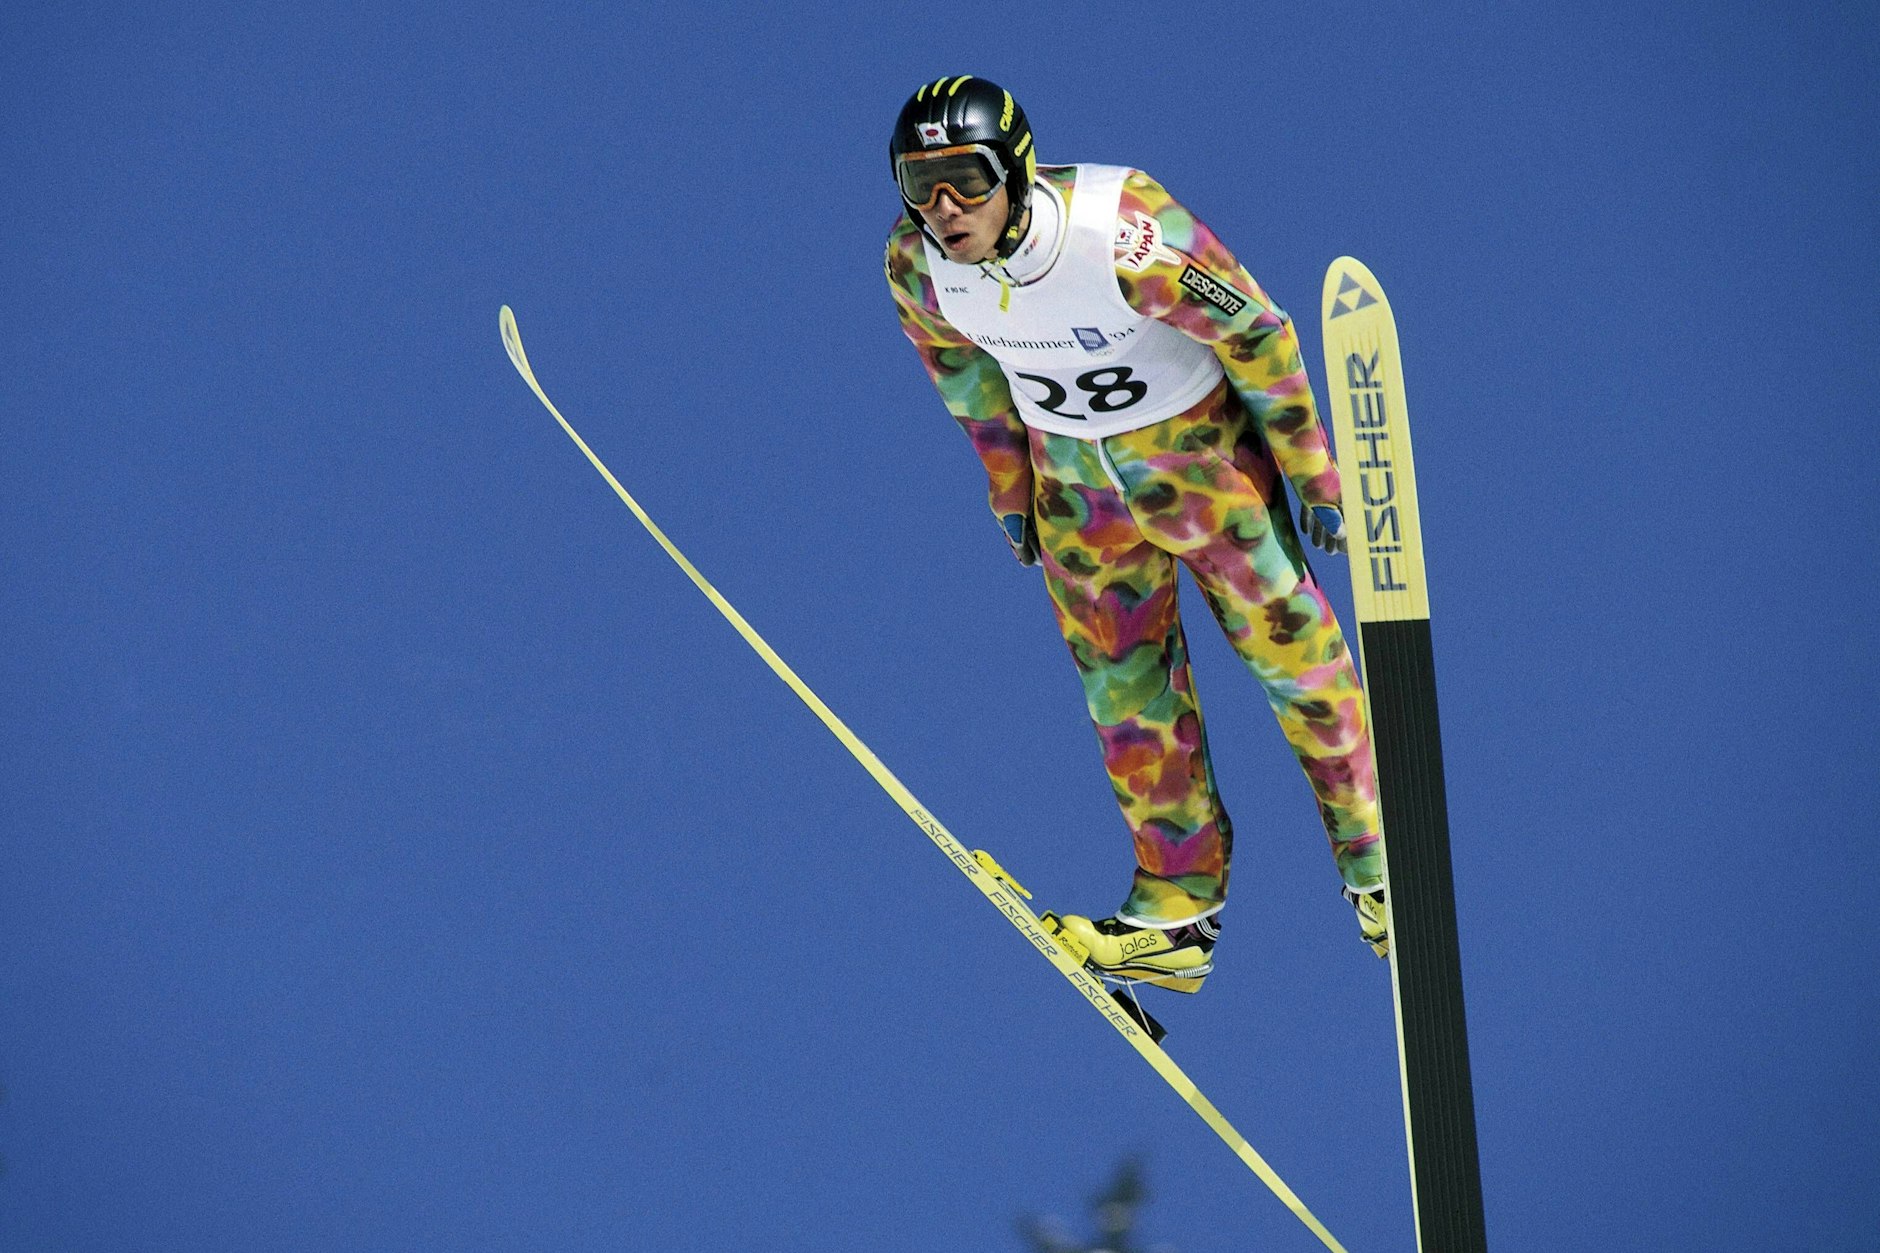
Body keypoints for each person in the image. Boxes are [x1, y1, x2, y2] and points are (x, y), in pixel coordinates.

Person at [884, 75, 1388, 993]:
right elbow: (966, 382)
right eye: (921, 185)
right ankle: (1176, 910)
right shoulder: (918, 270)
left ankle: (1380, 858)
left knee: (1288, 648)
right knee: (1127, 695)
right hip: (1077, 488)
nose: (945, 207)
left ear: (1017, 168)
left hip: (1196, 461)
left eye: (965, 177)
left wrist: (1315, 468)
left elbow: (1258, 332)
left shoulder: (1124, 231)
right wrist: (1010, 488)